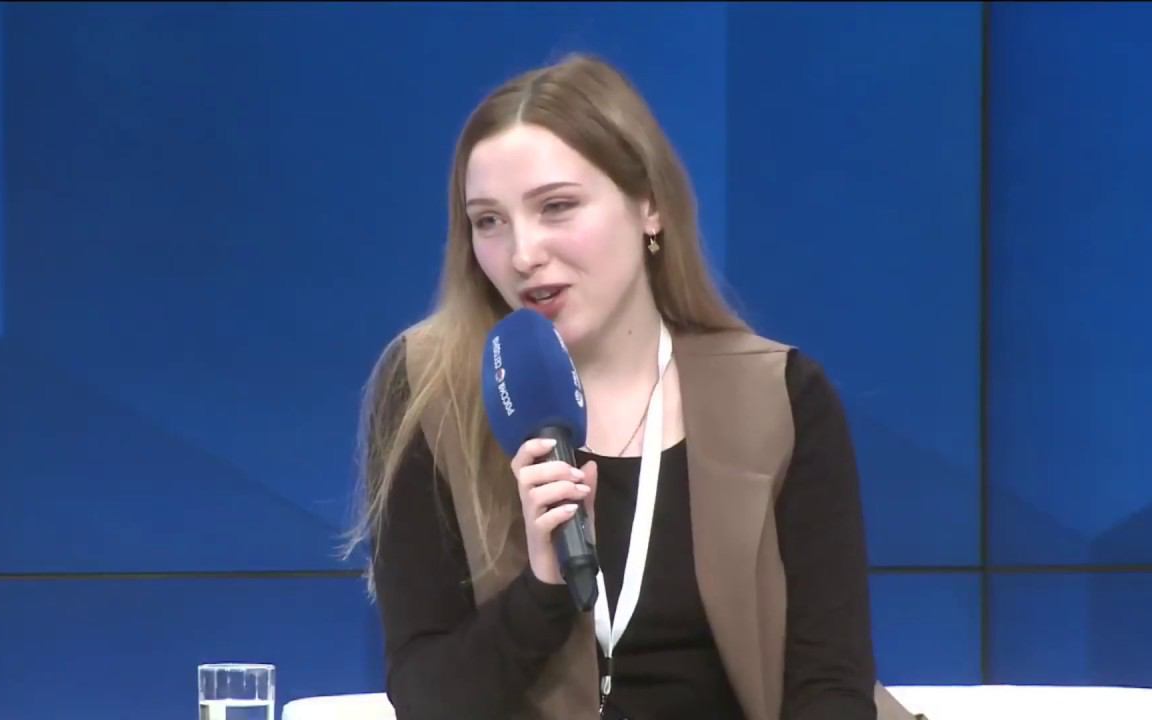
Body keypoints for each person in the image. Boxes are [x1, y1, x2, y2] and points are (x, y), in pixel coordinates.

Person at [346, 53, 918, 720]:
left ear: (649, 206)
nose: (523, 254)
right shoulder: (428, 389)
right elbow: (425, 698)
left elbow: (830, 687)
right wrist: (543, 588)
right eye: (489, 221)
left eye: (557, 207)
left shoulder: (779, 398)